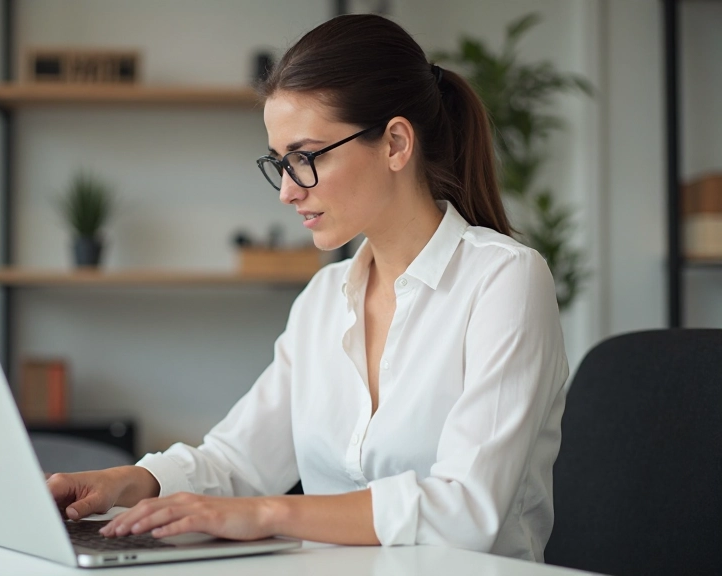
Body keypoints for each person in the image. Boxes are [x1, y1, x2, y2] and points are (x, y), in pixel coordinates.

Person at [46, 13, 569, 562]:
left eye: (305, 158)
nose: (287, 192)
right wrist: (128, 481)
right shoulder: (324, 299)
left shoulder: (504, 280)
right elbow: (239, 461)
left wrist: (270, 513)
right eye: (280, 163)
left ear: (395, 144)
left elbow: (466, 510)